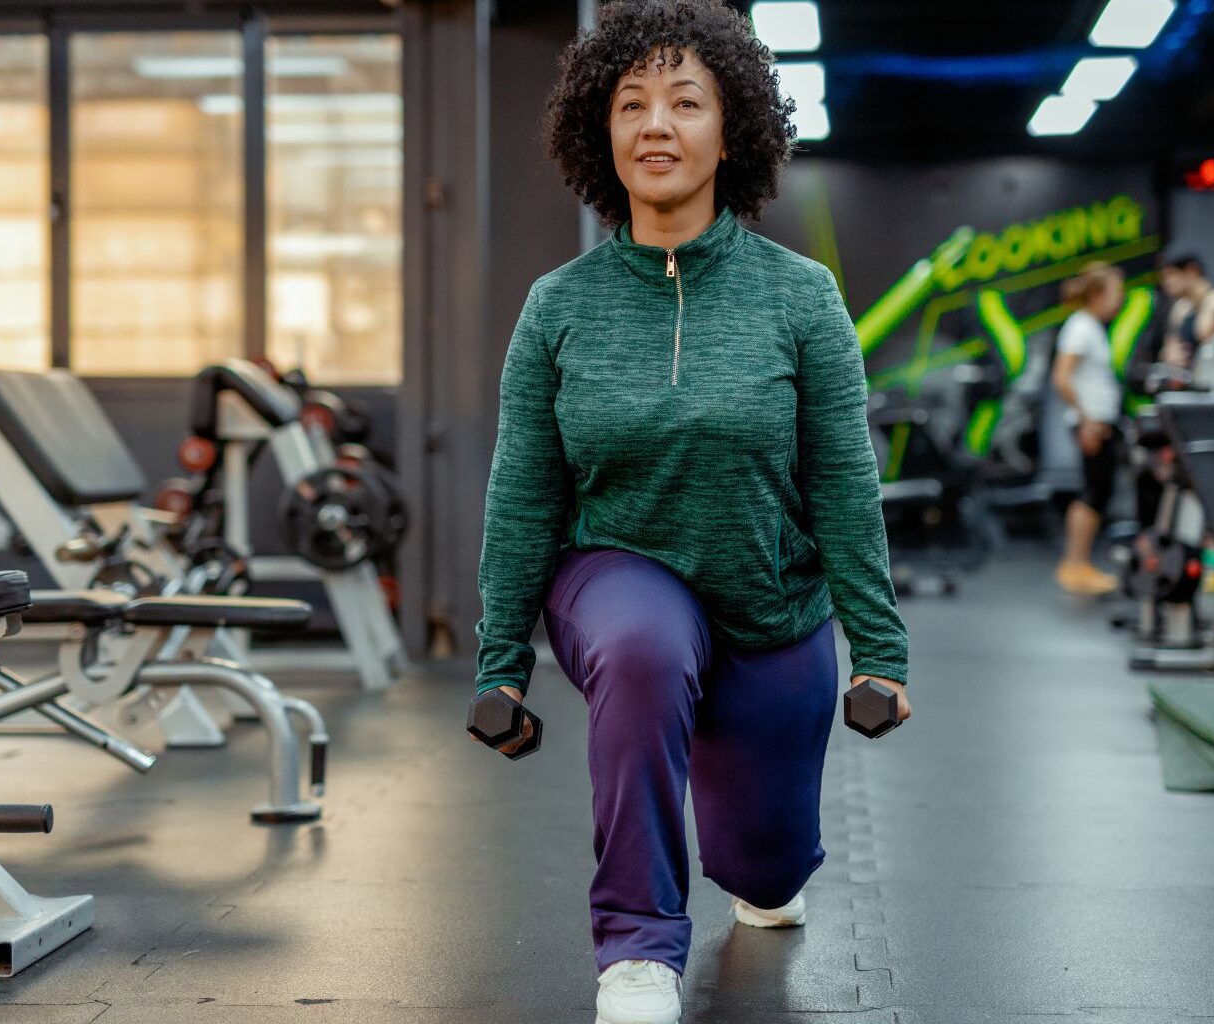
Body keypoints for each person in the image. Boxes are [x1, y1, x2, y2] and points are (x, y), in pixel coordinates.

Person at [471, 3, 911, 1022]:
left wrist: (880, 653)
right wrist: (501, 664)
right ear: (601, 134)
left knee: (763, 867)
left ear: (732, 131)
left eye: (685, 101)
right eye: (631, 104)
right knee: (641, 645)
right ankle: (636, 949)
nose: (656, 124)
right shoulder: (560, 305)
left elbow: (845, 483)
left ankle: (765, 863)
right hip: (618, 570)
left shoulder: (801, 299)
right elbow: (524, 493)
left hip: (769, 595)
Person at [1051, 262, 1127, 596]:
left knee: (1098, 491)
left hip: (1099, 422)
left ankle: (1078, 564)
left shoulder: (1092, 327)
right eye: (1114, 293)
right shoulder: (1080, 327)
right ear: (1097, 294)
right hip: (1091, 424)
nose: (1119, 301)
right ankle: (1074, 564)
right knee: (1092, 492)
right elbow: (1062, 378)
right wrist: (1085, 421)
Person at [1156, 253, 1214, 369]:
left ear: (1192, 271)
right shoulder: (1181, 308)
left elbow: (1209, 341)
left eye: (1171, 275)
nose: (1166, 283)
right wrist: (1169, 354)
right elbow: (1169, 346)